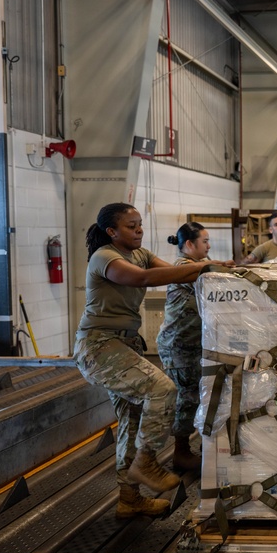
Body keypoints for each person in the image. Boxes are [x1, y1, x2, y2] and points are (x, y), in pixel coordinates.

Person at [73, 203, 231, 519]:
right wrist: (205, 267)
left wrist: (214, 269)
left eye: (140, 225)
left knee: (131, 422)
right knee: (162, 389)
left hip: (125, 343)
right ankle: (147, 460)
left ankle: (129, 499)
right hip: (99, 345)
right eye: (131, 227)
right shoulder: (105, 257)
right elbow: (145, 278)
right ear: (112, 232)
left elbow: (178, 273)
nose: (139, 231)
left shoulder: (140, 253)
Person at [156, 222, 215, 475]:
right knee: (186, 398)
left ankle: (193, 447)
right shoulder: (183, 268)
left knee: (194, 395)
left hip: (193, 344)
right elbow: (210, 278)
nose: (208, 246)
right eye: (204, 241)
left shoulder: (200, 265)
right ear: (189, 245)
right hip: (179, 346)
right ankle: (180, 454)